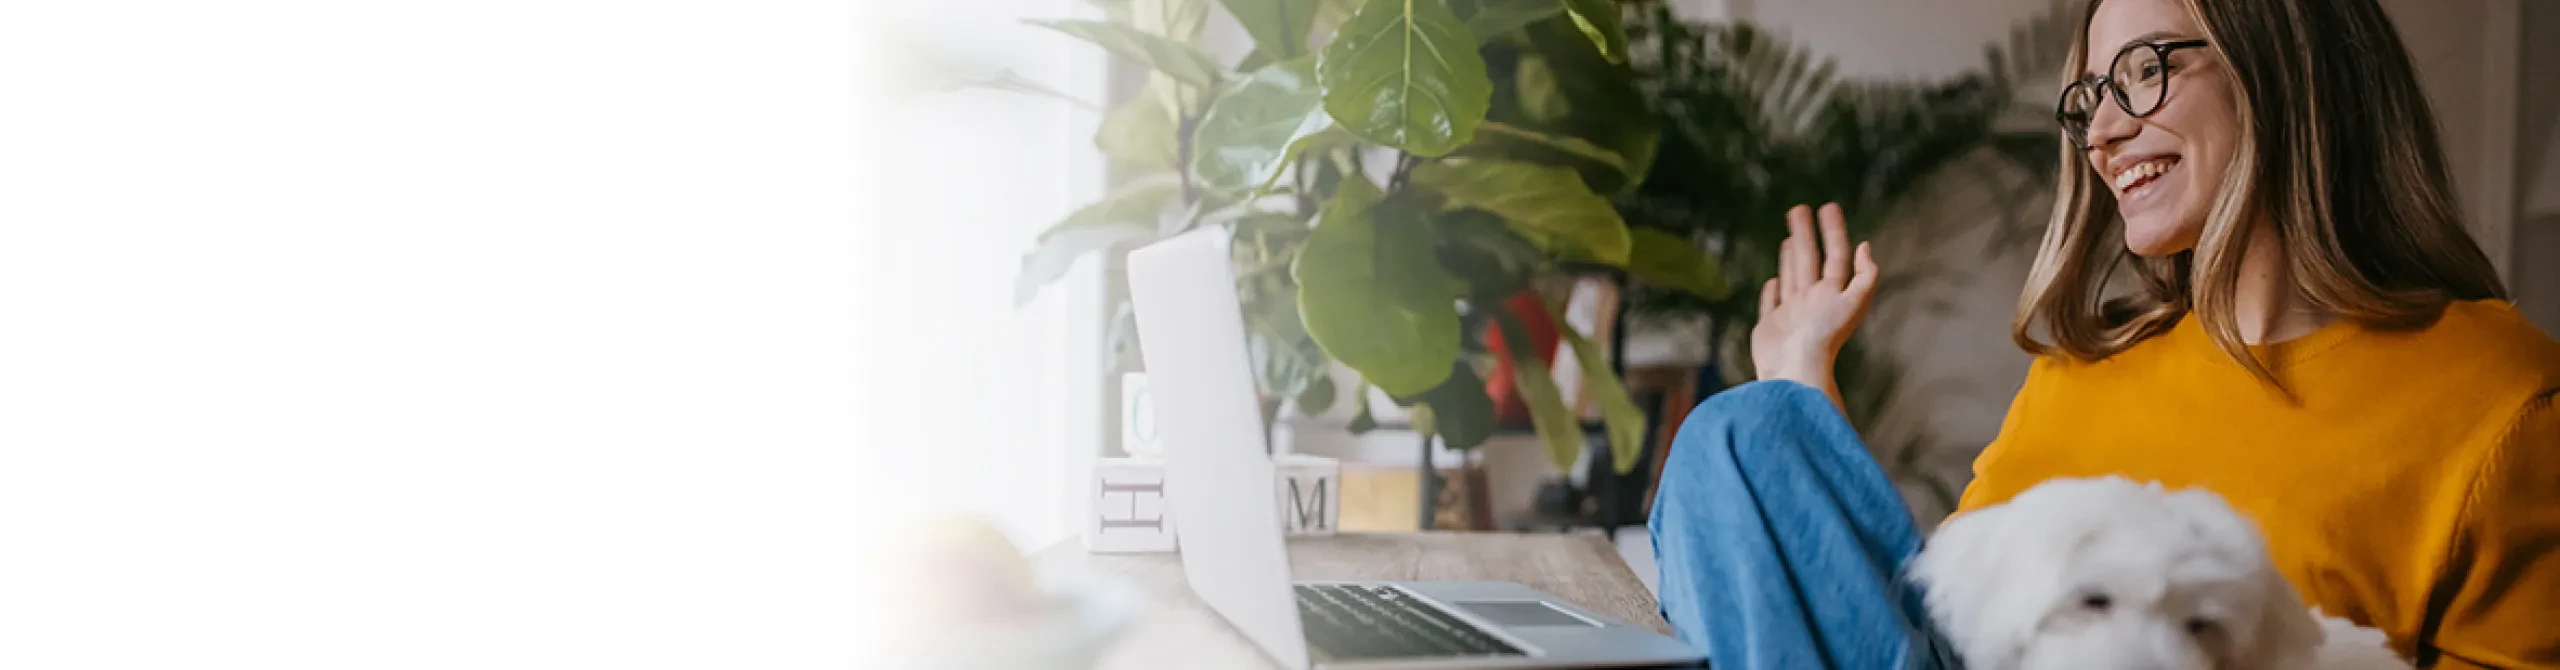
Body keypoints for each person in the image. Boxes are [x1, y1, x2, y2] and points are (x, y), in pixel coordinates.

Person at [1646, 0, 2560, 667]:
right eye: (2090, 98)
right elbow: (1926, 622)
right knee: (1743, 429)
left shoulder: (2503, 396)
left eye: (2146, 71)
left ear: (2282, 67)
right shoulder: (2086, 369)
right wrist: (1806, 390)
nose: (2104, 133)